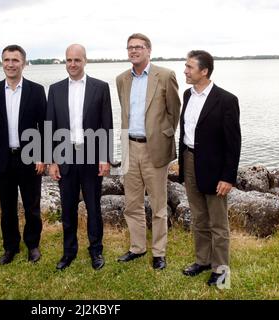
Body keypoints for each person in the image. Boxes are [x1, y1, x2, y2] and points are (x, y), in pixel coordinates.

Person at [116, 33, 181, 270]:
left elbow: (174, 112)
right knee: (132, 203)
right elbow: (126, 112)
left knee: (158, 204)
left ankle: (159, 252)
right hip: (129, 147)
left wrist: (162, 136)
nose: (134, 51)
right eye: (130, 47)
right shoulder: (122, 79)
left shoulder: (165, 75)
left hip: (155, 149)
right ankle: (137, 247)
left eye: (139, 47)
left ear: (148, 50)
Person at [47, 44, 113, 270]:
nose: (72, 64)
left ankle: (96, 251)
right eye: (69, 60)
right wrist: (51, 160)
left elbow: (107, 125)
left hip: (92, 157)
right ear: (65, 62)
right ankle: (69, 252)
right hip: (64, 156)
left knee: (94, 207)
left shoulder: (100, 87)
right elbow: (50, 126)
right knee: (67, 208)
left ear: (85, 61)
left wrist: (105, 158)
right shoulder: (54, 90)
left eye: (77, 60)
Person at [179, 50, 241, 286]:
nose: (185, 71)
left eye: (189, 67)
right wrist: (182, 162)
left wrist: (228, 177)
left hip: (215, 169)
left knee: (218, 223)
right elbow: (186, 132)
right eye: (186, 66)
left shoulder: (226, 100)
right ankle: (202, 260)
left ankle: (221, 269)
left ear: (204, 71)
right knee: (198, 218)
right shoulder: (187, 95)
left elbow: (233, 143)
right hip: (189, 161)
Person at [0, 45, 47, 265]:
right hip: (3, 158)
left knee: (32, 206)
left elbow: (44, 126)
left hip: (29, 157)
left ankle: (33, 245)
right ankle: (10, 247)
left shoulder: (36, 90)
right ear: (2, 62)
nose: (10, 64)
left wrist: (42, 155)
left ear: (23, 63)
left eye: (15, 60)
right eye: (7, 60)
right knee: (7, 207)